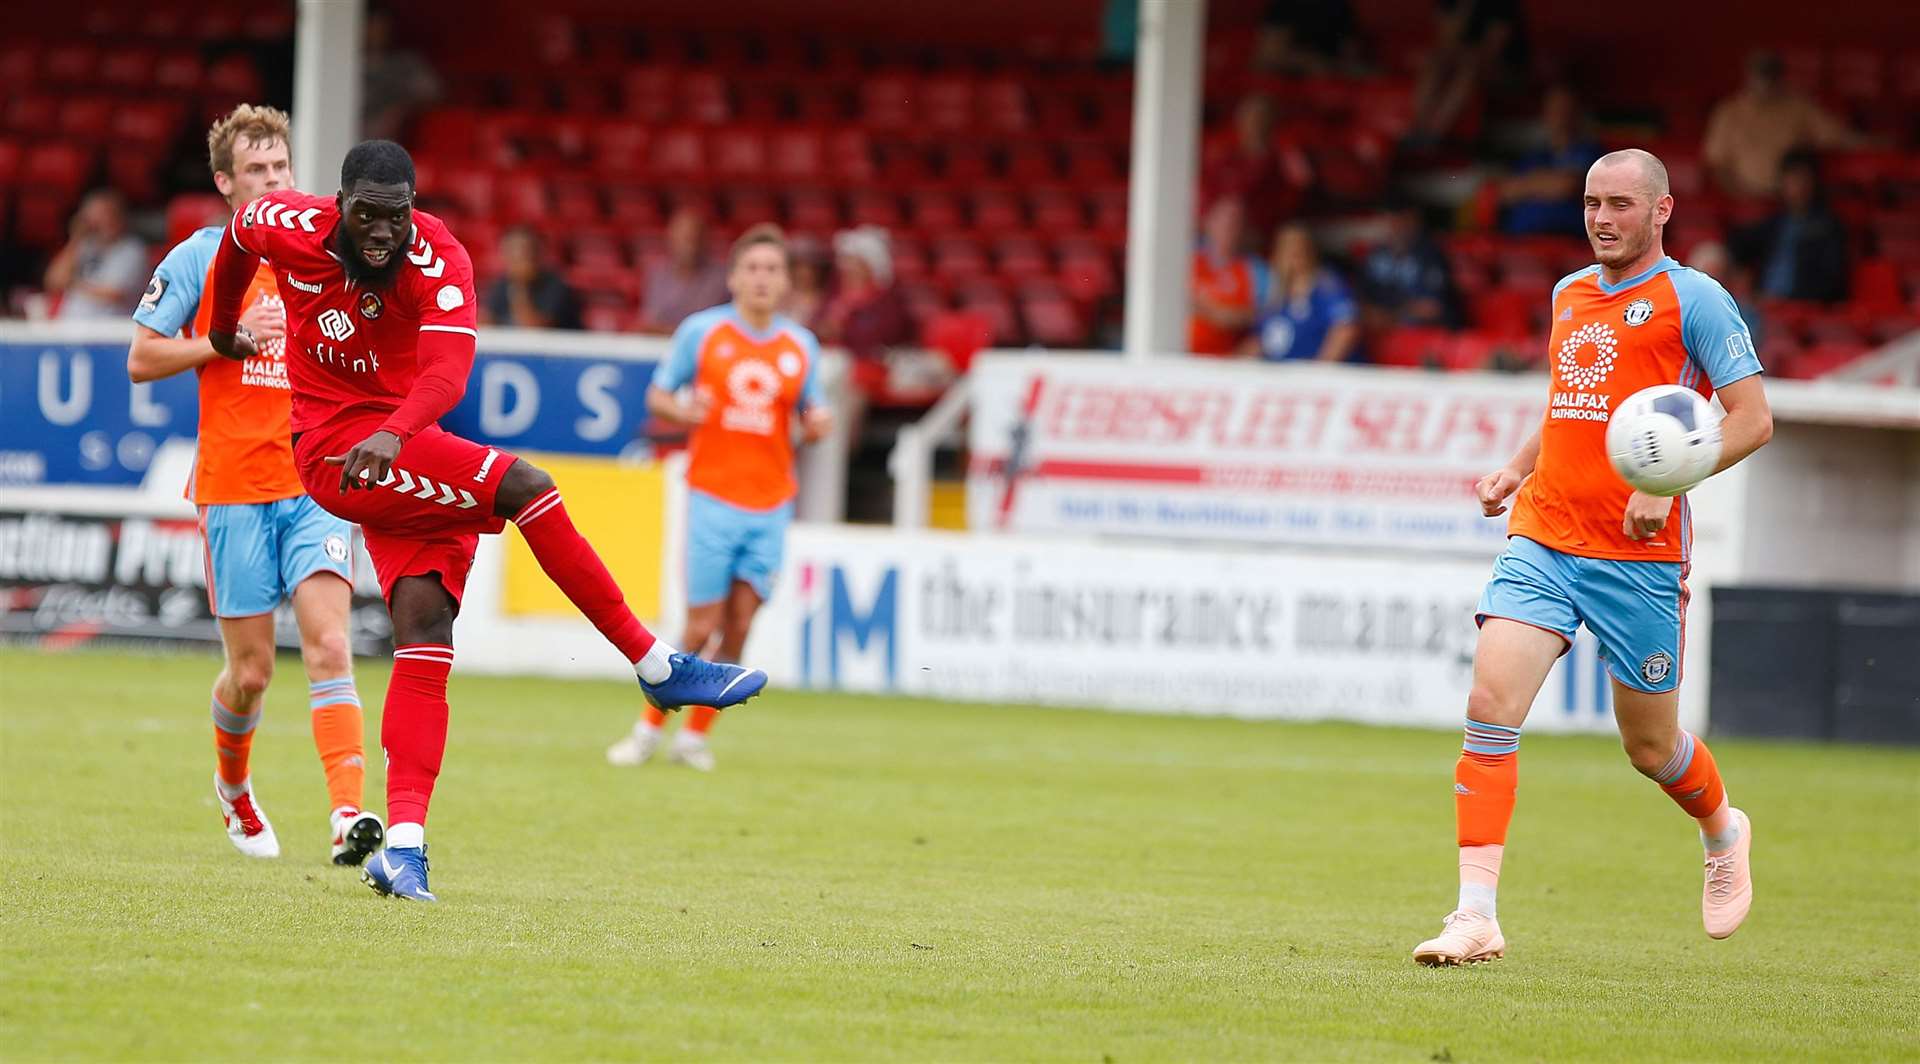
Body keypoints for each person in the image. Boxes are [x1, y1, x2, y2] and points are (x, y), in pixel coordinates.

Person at [205, 140, 766, 902]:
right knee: (526, 486)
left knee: (426, 633)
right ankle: (656, 665)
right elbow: (238, 239)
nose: (383, 234)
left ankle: (404, 847)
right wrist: (222, 333)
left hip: (397, 444)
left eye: (397, 218)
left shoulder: (437, 257)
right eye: (368, 216)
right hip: (333, 453)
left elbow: (446, 372)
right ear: (340, 206)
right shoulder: (287, 223)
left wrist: (396, 434)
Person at [1412, 149, 1771, 966]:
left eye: (1618, 204)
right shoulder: (1567, 294)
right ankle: (1476, 916)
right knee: (1490, 703)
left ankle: (1722, 830)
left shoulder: (1697, 301)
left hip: (1637, 557)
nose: (1602, 219)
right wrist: (1517, 466)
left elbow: (1752, 418)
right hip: (1544, 534)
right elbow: (1572, 404)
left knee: (1651, 749)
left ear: (1661, 211)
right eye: (1590, 203)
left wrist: (1680, 473)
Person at [125, 105, 378, 865]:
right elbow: (141, 356)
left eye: (281, 167)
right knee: (252, 673)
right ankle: (234, 792)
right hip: (235, 485)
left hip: (315, 481)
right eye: (257, 171)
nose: (272, 181)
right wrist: (221, 342)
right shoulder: (202, 257)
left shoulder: (324, 255)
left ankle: (347, 817)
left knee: (332, 642)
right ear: (227, 183)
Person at [606, 225, 831, 772]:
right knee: (700, 625)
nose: (761, 279)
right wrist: (683, 411)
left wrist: (819, 424)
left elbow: (812, 414)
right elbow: (659, 394)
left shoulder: (801, 346)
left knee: (741, 624)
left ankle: (695, 736)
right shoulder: (702, 333)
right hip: (712, 497)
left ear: (785, 282)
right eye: (751, 268)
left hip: (772, 502)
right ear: (733, 277)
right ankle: (647, 731)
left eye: (772, 270)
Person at [1703, 51, 1863, 200]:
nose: (1765, 81)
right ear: (1748, 75)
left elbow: (1838, 136)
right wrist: (1741, 198)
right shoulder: (1728, 112)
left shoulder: (1799, 107)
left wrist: (1876, 142)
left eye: (1771, 73)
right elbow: (1718, 165)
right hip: (1745, 205)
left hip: (1789, 204)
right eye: (1761, 73)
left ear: (1780, 76)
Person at [1732, 150, 1849, 304]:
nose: (1798, 187)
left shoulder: (1827, 228)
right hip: (1763, 306)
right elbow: (1738, 243)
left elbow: (1830, 283)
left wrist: (1786, 300)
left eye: (1803, 179)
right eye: (1792, 179)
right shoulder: (1775, 223)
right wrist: (1742, 272)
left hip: (1798, 310)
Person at [1498, 85, 1602, 237]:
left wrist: (1529, 184)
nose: (1560, 117)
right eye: (1554, 111)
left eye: (1566, 111)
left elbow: (1568, 186)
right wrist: (1545, 183)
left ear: (1577, 114)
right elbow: (1507, 192)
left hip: (1569, 241)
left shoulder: (1590, 152)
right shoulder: (1536, 155)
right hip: (1523, 241)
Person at [1249, 224, 1358, 362]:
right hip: (1280, 377)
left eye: (1298, 248)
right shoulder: (1275, 297)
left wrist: (1316, 373)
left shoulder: (1327, 286)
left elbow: (1345, 329)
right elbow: (1258, 341)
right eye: (1287, 249)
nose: (1293, 256)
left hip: (1319, 378)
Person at [45, 189, 148, 320]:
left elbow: (115, 293)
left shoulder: (132, 250)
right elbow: (53, 281)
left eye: (105, 215)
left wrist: (72, 283)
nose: (100, 223)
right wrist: (75, 239)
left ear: (119, 217)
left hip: (109, 330)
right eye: (94, 217)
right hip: (71, 327)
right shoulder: (84, 246)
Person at [816, 225, 912, 363]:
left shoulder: (886, 299)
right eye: (845, 261)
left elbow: (885, 336)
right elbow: (815, 322)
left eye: (854, 262)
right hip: (829, 356)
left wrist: (843, 330)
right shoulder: (834, 293)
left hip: (867, 363)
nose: (846, 267)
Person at [1188, 197, 1268, 357]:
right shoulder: (1187, 260)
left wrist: (1217, 314)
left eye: (1236, 223)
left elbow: (1267, 317)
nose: (1229, 229)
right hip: (1181, 358)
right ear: (1207, 223)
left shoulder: (1256, 271)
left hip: (1230, 362)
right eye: (1223, 222)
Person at [1361, 200, 1458, 328]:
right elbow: (1359, 301)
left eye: (1400, 220)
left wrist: (1391, 315)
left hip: (1423, 332)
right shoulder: (1376, 255)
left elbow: (1433, 308)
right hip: (1384, 330)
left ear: (1413, 220)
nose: (1394, 226)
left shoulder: (1430, 255)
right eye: (1390, 220)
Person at [639, 207, 729, 335]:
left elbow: (712, 327)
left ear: (706, 239)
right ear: (670, 237)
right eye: (684, 237)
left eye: (694, 237)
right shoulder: (658, 275)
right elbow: (650, 324)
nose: (689, 244)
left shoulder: (722, 278)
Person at [481, 226, 582, 329]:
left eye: (524, 251)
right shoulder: (502, 284)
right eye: (511, 251)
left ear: (538, 253)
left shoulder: (557, 286)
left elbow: (534, 330)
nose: (517, 257)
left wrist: (520, 286)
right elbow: (486, 322)